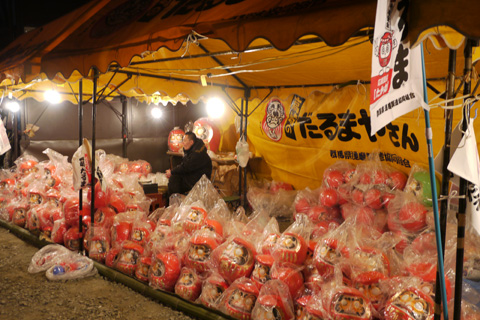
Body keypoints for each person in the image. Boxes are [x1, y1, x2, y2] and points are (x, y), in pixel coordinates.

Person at [166, 131, 212, 196]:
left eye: (184, 141)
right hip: (193, 176)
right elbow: (184, 166)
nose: (183, 143)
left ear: (191, 142)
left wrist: (172, 172)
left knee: (174, 178)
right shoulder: (193, 150)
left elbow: (185, 167)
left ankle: (175, 202)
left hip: (200, 180)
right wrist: (173, 172)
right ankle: (174, 201)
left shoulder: (197, 154)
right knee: (175, 177)